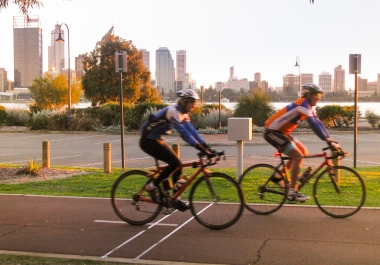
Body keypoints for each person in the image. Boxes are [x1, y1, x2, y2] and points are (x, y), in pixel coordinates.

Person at [263, 83, 339, 202]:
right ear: (308, 95)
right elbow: (313, 125)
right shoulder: (302, 104)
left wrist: (330, 139)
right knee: (297, 156)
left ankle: (278, 177)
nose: (319, 97)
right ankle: (292, 192)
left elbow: (318, 123)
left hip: (282, 133)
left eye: (320, 95)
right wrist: (328, 141)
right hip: (272, 132)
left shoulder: (310, 106)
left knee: (302, 151)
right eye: (317, 95)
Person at [139, 89, 211, 211]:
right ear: (184, 101)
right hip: (148, 140)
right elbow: (184, 134)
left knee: (179, 165)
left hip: (157, 139)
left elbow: (192, 131)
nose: (194, 105)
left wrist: (206, 146)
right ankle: (152, 186)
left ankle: (175, 198)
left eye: (195, 102)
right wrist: (199, 147)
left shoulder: (184, 114)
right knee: (175, 163)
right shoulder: (173, 111)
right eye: (192, 102)